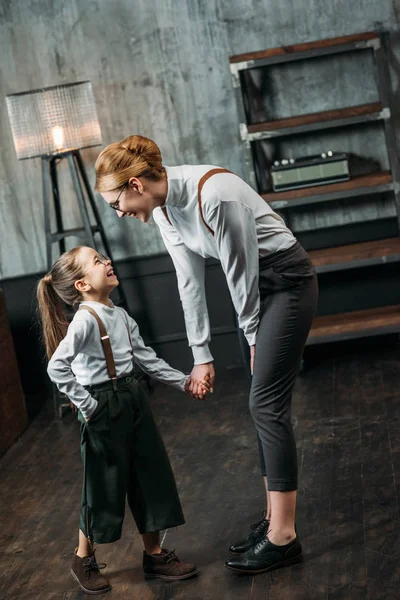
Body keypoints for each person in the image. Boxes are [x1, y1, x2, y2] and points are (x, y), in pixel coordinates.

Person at [94, 135, 319, 575]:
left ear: (136, 184)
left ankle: (284, 536)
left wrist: (254, 338)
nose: (119, 213)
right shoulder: (164, 210)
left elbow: (241, 277)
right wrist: (201, 354)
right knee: (261, 406)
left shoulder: (214, 195)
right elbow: (189, 283)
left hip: (286, 284)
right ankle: (272, 518)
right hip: (257, 293)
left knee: (266, 405)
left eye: (115, 203)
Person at [36, 245, 209, 594]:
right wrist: (86, 403)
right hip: (102, 404)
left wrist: (184, 382)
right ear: (82, 285)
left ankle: (155, 554)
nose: (107, 261)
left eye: (104, 257)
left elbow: (147, 359)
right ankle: (82, 557)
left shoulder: (121, 316)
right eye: (97, 261)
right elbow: (57, 366)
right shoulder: (86, 320)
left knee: (149, 474)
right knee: (102, 485)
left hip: (133, 399)